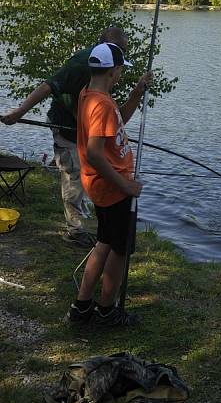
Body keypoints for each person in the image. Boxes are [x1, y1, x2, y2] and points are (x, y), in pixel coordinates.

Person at [1, 26, 131, 247]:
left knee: (87, 175)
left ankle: (85, 222)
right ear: (103, 46)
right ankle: (75, 231)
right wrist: (19, 112)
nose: (121, 56)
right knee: (74, 175)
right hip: (66, 127)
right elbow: (48, 86)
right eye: (118, 50)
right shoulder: (83, 62)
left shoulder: (108, 70)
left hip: (86, 127)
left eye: (123, 51)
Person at [66, 41, 151, 326]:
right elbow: (93, 153)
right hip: (112, 187)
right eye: (120, 70)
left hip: (101, 185)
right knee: (119, 249)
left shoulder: (90, 94)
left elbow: (118, 123)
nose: (122, 75)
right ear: (113, 71)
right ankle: (106, 309)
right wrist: (125, 186)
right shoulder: (100, 104)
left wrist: (137, 93)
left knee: (103, 242)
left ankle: (81, 306)